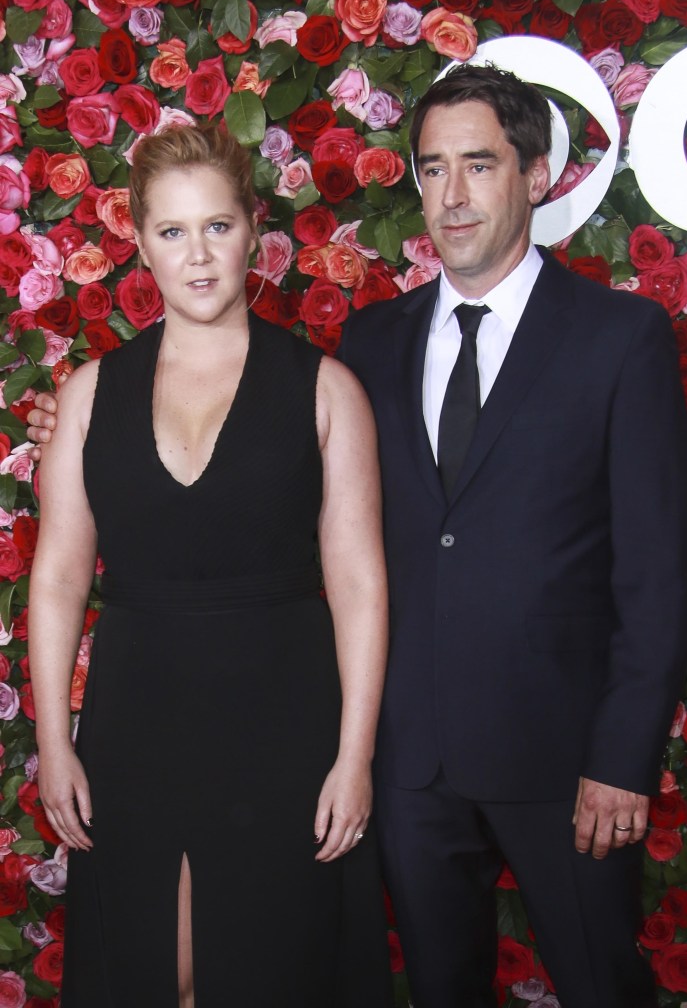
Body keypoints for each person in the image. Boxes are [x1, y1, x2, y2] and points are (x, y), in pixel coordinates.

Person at [27, 67, 687, 1008]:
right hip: (402, 761)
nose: (452, 195)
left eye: (478, 165)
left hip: (550, 758)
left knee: (600, 985)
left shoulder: (616, 338)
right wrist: (85, 438)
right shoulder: (377, 340)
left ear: (536, 176)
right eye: (431, 169)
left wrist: (620, 758)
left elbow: (657, 570)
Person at [27, 123, 393, 1008]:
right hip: (136, 721)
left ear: (254, 229)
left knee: (267, 971)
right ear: (139, 241)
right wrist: (51, 737)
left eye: (218, 228)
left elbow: (357, 583)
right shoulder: (87, 395)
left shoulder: (325, 389)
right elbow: (60, 576)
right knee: (157, 972)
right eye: (173, 232)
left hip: (283, 723)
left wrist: (354, 757)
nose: (198, 256)